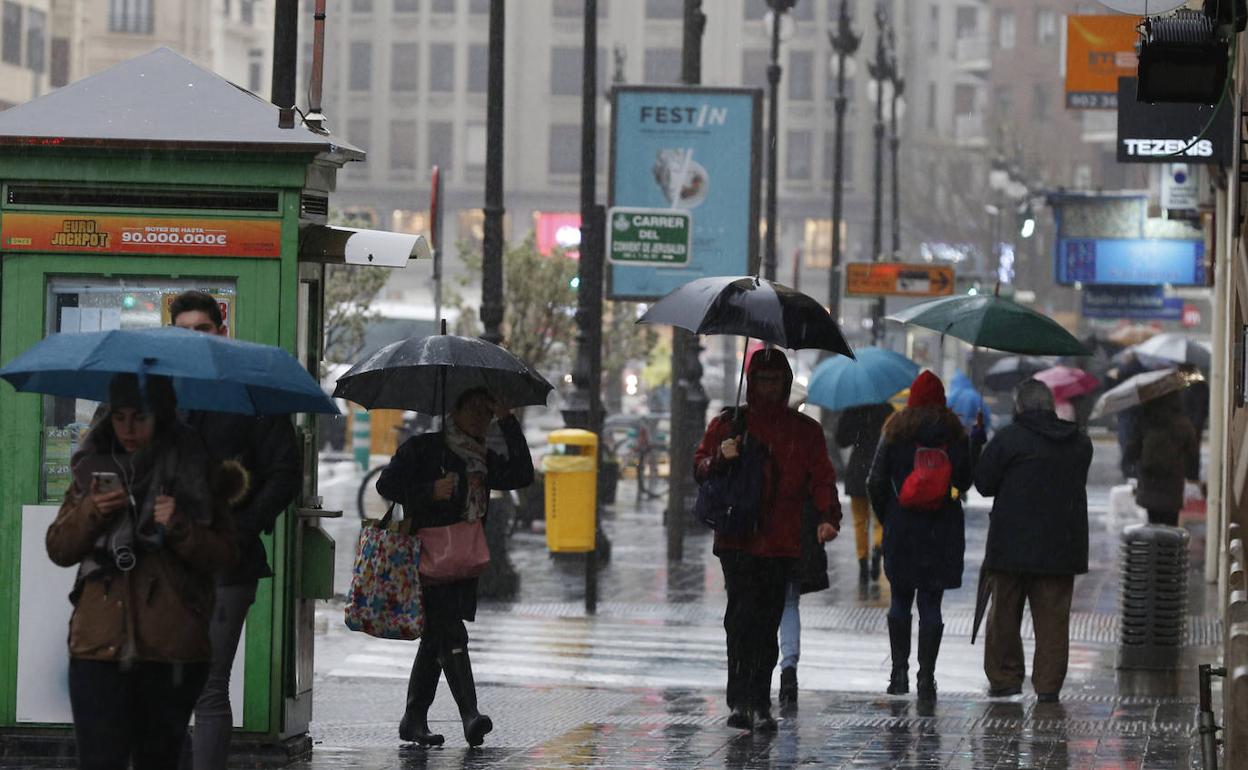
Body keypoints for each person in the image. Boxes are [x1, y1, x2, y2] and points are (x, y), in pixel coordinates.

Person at [46, 374, 239, 770]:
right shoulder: (93, 469)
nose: (128, 429)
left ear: (163, 416)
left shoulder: (196, 468)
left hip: (171, 649)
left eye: (140, 417)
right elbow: (59, 548)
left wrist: (181, 526)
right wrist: (93, 512)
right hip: (97, 646)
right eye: (119, 417)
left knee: (159, 761)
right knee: (100, 761)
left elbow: (225, 557)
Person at [171, 290, 303, 770]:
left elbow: (286, 471)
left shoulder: (252, 394)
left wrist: (244, 528)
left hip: (228, 562)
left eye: (202, 329)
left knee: (207, 682)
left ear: (221, 331)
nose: (193, 339)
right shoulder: (162, 394)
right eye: (182, 331)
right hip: (166, 561)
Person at [377, 387, 534, 747]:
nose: (481, 418)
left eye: (487, 413)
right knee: (451, 633)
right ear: (456, 411)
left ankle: (413, 718)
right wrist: (430, 490)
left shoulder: (482, 458)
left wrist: (509, 421)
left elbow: (523, 474)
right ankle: (470, 715)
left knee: (435, 639)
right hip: (427, 559)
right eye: (475, 410)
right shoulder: (424, 448)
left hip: (463, 561)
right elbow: (387, 484)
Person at [694, 348, 841, 731]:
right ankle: (739, 700)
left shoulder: (805, 431)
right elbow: (700, 468)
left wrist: (828, 516)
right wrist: (721, 457)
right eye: (763, 380)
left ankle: (759, 699)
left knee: (766, 622)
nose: (769, 387)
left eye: (776, 380)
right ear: (753, 382)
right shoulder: (730, 424)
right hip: (738, 538)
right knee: (740, 620)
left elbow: (821, 477)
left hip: (781, 541)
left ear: (786, 383)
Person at [974, 379, 1092, 703]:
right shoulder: (1079, 442)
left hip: (1010, 545)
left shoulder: (1009, 439)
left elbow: (983, 484)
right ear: (1051, 406)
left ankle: (1005, 678)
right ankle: (1048, 686)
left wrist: (978, 445)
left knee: (1003, 617)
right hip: (1060, 547)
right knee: (1053, 621)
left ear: (1019, 406)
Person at [867, 370, 978, 702]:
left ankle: (898, 672)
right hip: (941, 530)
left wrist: (889, 515)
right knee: (931, 604)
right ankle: (926, 678)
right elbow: (965, 481)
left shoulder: (895, 430)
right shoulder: (955, 433)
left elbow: (874, 480)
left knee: (900, 600)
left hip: (902, 527)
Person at [777, 499, 829, 708]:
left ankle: (756, 672)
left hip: (765, 528)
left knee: (761, 603)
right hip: (799, 527)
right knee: (789, 603)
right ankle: (788, 669)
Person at [836, 402, 894, 585]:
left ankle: (863, 563)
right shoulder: (886, 409)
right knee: (880, 518)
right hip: (880, 468)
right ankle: (878, 548)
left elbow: (841, 440)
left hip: (857, 470)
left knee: (860, 521)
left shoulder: (853, 409)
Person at [1124, 391, 1199, 526]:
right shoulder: (1182, 423)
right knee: (1171, 527)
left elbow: (1131, 449)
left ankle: (1155, 545)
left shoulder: (1145, 420)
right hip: (1173, 485)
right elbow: (1192, 453)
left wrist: (1133, 468)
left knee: (1153, 524)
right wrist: (1192, 476)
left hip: (1149, 483)